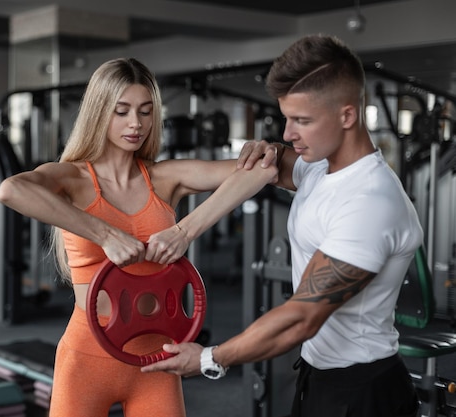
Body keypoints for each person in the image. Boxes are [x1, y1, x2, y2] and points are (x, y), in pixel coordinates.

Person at [141, 34, 423, 417]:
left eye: (302, 121)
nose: (289, 132)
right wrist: (268, 149)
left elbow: (301, 318)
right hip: (317, 376)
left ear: (347, 116)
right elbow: (274, 163)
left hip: (362, 392)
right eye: (287, 118)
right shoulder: (320, 168)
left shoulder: (369, 203)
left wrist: (210, 357)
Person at [0, 57, 277, 417]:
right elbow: (10, 190)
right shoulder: (71, 179)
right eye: (122, 111)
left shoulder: (163, 178)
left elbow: (264, 170)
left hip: (157, 356)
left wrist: (185, 229)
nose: (136, 123)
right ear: (99, 112)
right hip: (88, 355)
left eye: (146, 112)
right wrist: (105, 234)